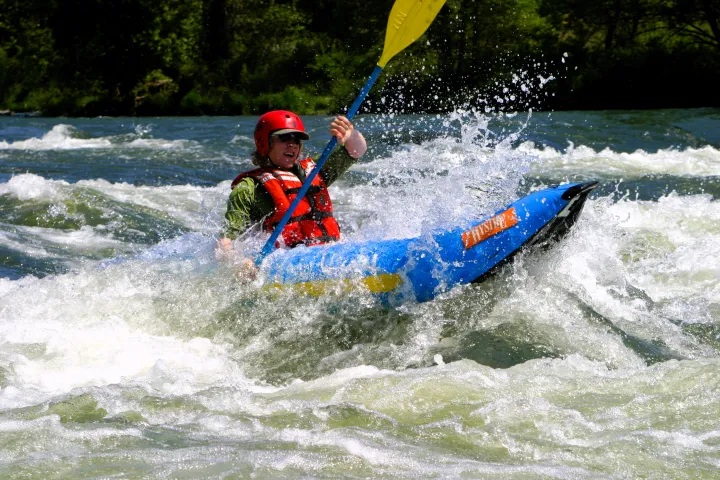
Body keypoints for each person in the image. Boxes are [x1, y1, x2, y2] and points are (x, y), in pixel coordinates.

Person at [216, 110, 367, 267]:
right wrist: (239, 263)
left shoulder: (314, 171)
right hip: (284, 263)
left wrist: (350, 134)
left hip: (328, 252)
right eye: (284, 138)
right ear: (264, 142)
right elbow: (225, 242)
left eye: (297, 139)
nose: (292, 144)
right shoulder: (247, 188)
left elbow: (356, 151)